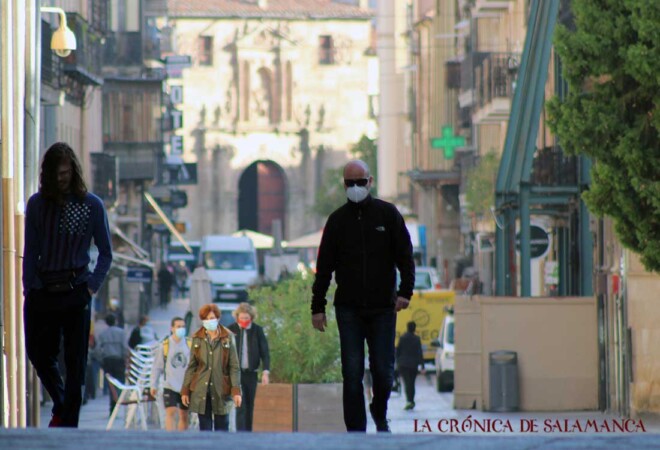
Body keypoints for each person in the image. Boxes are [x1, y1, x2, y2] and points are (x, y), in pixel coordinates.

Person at [311, 159, 415, 432]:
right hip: (349, 309)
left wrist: (405, 292)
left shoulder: (388, 214)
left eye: (360, 181)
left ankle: (379, 411)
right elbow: (324, 268)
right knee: (352, 372)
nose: (355, 187)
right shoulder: (336, 221)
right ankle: (355, 431)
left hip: (383, 307)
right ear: (343, 185)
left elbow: (405, 257)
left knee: (384, 371)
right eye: (350, 183)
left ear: (370, 182)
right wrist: (317, 307)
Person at [22, 142, 113, 428]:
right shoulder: (37, 204)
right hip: (43, 290)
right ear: (47, 174)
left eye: (65, 173)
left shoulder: (92, 205)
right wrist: (29, 286)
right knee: (38, 353)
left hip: (76, 290)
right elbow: (30, 249)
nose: (61, 178)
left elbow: (106, 253)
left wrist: (91, 287)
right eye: (56, 174)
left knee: (76, 365)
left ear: (74, 171)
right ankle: (62, 405)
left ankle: (69, 426)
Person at [181, 304, 242, 431]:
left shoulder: (227, 337)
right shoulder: (197, 338)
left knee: (222, 427)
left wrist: (236, 391)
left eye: (212, 318)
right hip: (201, 389)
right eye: (207, 319)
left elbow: (234, 366)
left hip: (222, 389)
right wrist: (185, 390)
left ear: (218, 318)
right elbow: (192, 366)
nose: (210, 321)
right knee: (205, 427)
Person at [228, 302, 270, 432]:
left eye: (247, 318)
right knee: (240, 405)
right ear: (237, 317)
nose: (244, 320)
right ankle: (241, 434)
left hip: (251, 373)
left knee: (250, 405)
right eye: (242, 318)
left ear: (251, 317)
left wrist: (265, 372)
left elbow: (265, 352)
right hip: (237, 374)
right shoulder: (231, 330)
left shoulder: (257, 330)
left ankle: (248, 433)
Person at [150, 317, 191, 431]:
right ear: (172, 328)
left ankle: (182, 437)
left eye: (183, 326)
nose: (181, 329)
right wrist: (153, 385)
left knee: (184, 415)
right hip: (169, 385)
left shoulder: (189, 345)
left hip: (185, 386)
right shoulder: (165, 346)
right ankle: (170, 436)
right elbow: (157, 367)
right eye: (178, 326)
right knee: (171, 411)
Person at [95, 314, 127, 414]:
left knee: (111, 383)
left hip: (108, 360)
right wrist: (124, 357)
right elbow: (125, 347)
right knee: (120, 382)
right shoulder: (121, 333)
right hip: (119, 360)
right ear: (115, 321)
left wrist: (101, 359)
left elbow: (97, 349)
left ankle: (112, 402)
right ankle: (116, 401)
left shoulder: (103, 334)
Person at [396, 321, 425, 410]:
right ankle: (411, 400)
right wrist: (422, 365)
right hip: (413, 364)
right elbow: (420, 352)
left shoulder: (402, 338)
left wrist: (397, 362)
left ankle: (409, 400)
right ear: (414, 328)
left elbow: (398, 351)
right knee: (412, 383)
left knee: (407, 382)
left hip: (403, 364)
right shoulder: (417, 339)